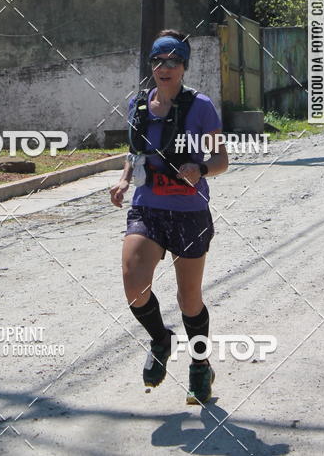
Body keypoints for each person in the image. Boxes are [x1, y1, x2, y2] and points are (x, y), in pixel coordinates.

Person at [110, 30, 228, 405]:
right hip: (148, 207)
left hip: (190, 213)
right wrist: (124, 179)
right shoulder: (138, 106)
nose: (165, 68)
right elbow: (134, 153)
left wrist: (201, 170)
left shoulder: (201, 106)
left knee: (188, 298)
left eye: (173, 61)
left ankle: (200, 365)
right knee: (134, 284)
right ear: (152, 66)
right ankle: (161, 339)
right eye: (158, 61)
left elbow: (221, 160)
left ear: (183, 67)